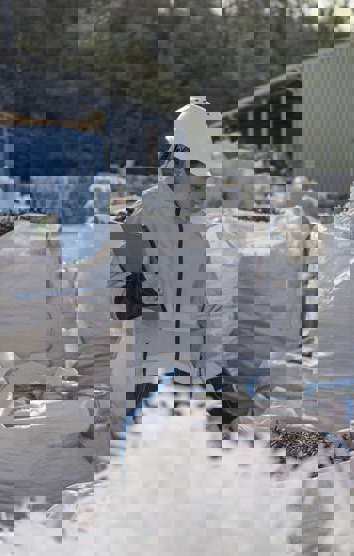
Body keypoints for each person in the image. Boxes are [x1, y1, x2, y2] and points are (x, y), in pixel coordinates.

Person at [108, 98, 238, 433]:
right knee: (150, 420)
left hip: (194, 346)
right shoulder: (145, 214)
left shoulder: (202, 225)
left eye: (201, 181)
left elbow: (210, 293)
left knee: (192, 428)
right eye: (192, 178)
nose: (198, 188)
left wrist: (216, 372)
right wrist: (128, 288)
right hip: (157, 343)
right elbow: (120, 280)